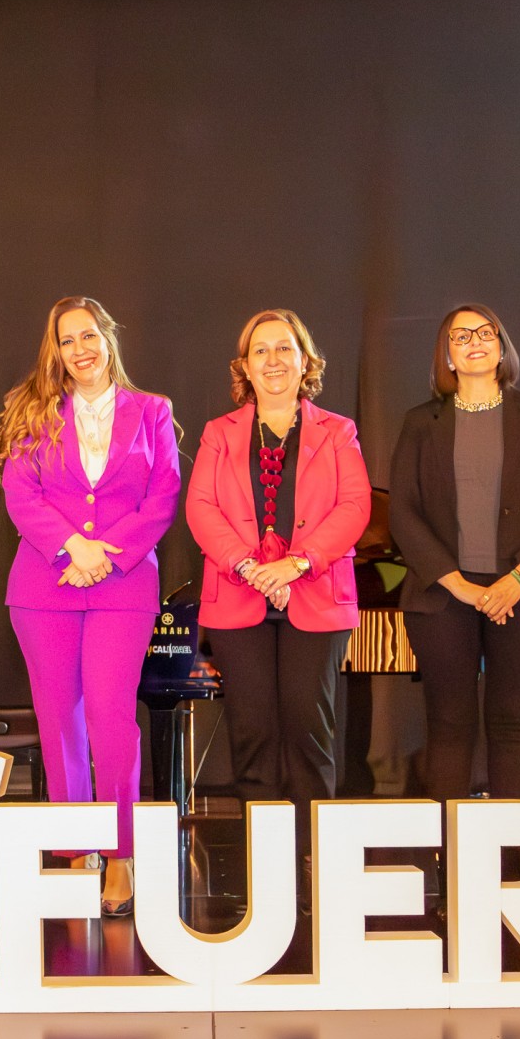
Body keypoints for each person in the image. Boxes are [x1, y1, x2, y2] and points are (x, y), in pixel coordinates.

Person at [0, 297, 182, 915]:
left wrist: (108, 554)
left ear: (109, 339)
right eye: (68, 340)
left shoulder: (152, 411)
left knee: (109, 719)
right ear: (57, 351)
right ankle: (77, 855)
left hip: (122, 588)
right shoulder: (32, 411)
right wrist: (73, 547)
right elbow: (21, 495)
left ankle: (122, 855)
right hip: (45, 589)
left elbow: (161, 498)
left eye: (90, 335)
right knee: (60, 722)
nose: (81, 348)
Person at [185, 309, 371, 873]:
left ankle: (317, 857)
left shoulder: (337, 431)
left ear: (304, 360)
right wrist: (249, 566)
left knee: (308, 730)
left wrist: (296, 565)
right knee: (254, 732)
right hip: (238, 595)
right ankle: (267, 862)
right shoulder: (220, 432)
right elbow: (200, 507)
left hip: (312, 594)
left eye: (284, 349)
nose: (273, 360)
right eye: (260, 351)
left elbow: (355, 506)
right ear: (244, 365)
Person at [389, 304, 520, 804]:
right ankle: (452, 863)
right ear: (446, 356)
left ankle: (512, 862)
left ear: (501, 344)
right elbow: (403, 514)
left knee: (512, 722)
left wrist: (517, 580)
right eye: (460, 335)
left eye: (485, 331)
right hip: (443, 597)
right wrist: (460, 585)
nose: (474, 340)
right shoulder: (419, 423)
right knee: (449, 725)